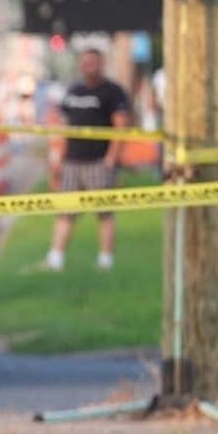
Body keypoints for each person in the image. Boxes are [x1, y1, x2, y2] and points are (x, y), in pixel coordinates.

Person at [46, 47, 130, 271]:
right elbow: (64, 127)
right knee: (65, 212)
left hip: (99, 161)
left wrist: (112, 158)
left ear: (101, 64)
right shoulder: (74, 90)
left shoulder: (113, 92)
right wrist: (58, 160)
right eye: (84, 61)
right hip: (72, 161)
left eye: (92, 61)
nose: (87, 65)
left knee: (104, 214)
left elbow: (121, 126)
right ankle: (55, 258)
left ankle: (106, 260)